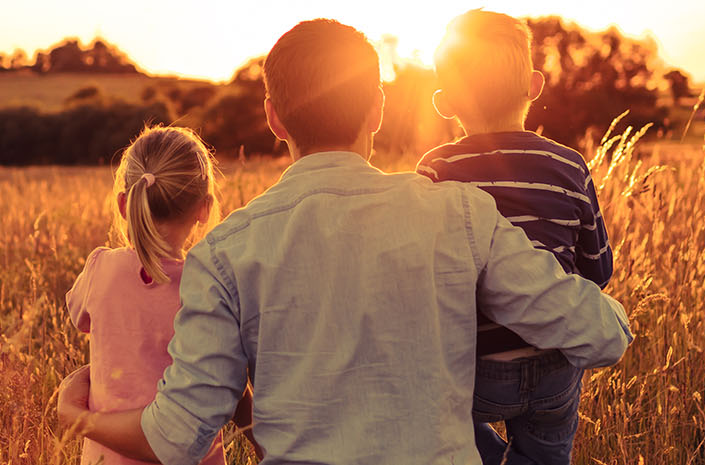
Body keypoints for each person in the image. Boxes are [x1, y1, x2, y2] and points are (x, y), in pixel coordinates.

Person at [56, 19, 633, 464]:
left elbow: (178, 439)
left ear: (274, 119)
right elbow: (602, 336)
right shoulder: (459, 215)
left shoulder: (224, 254)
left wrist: (79, 418)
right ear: (378, 109)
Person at [416, 10, 614, 465]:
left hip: (473, 367)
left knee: (445, 422)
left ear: (444, 102)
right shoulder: (570, 165)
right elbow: (598, 271)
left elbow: (423, 270)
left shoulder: (437, 169)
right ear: (535, 85)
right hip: (556, 364)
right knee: (546, 452)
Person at [65, 126, 253, 465]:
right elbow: (233, 381)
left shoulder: (100, 268)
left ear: (125, 204)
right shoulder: (207, 287)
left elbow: (78, 318)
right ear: (204, 209)